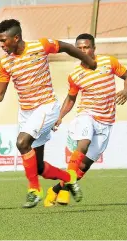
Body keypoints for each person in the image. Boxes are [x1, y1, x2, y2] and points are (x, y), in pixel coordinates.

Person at [0, 19, 97, 208]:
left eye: (4, 41)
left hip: (46, 107)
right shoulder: (5, 63)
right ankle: (69, 178)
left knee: (22, 142)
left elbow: (67, 47)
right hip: (27, 113)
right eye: (0, 41)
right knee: (38, 167)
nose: (1, 45)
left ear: (16, 38)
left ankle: (34, 191)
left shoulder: (41, 46)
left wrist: (88, 61)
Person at [44, 33, 127, 207]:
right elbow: (71, 98)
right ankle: (66, 191)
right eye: (79, 48)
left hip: (106, 121)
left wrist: (125, 91)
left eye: (86, 47)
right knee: (84, 142)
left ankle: (55, 189)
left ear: (94, 48)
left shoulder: (109, 62)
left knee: (83, 166)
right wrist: (59, 116)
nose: (82, 51)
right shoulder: (75, 75)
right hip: (86, 113)